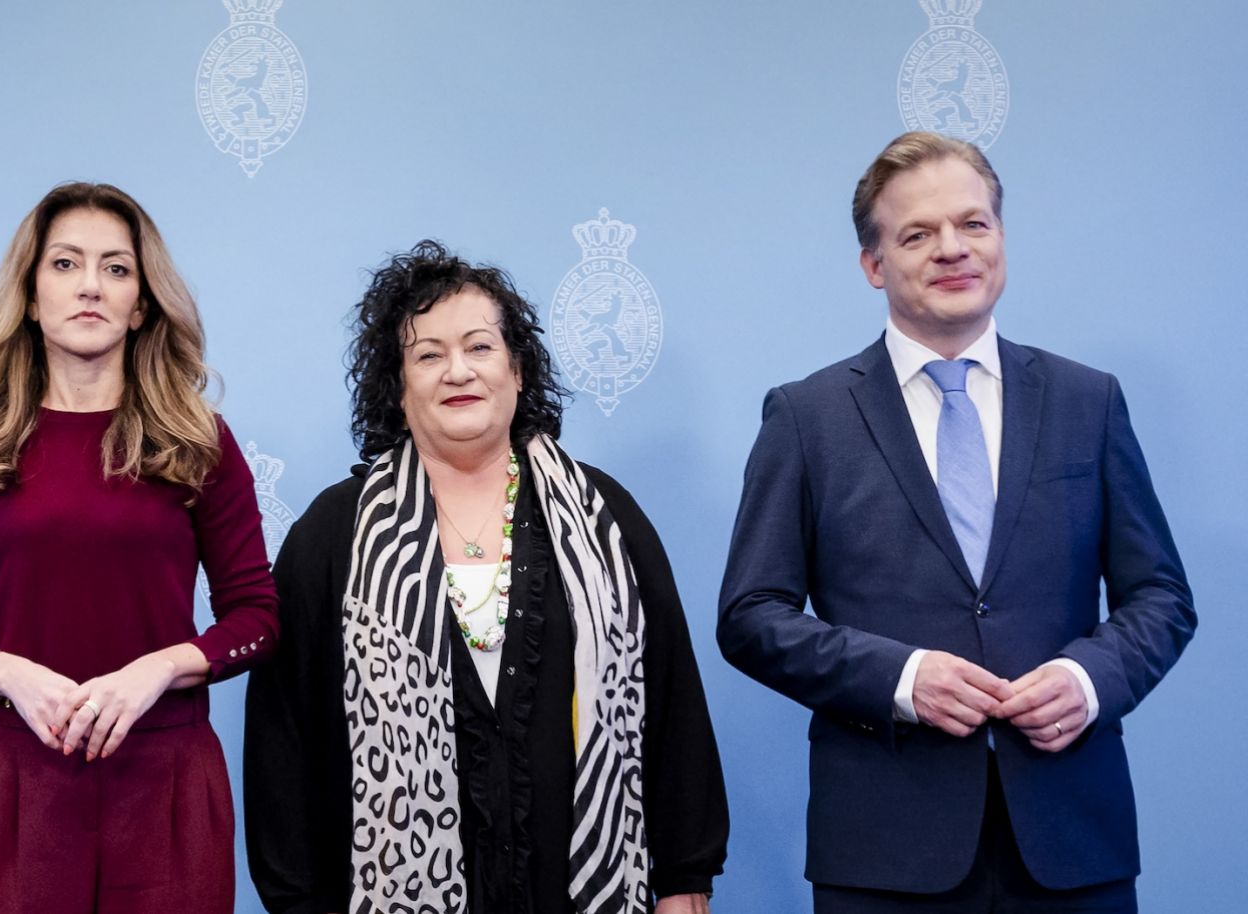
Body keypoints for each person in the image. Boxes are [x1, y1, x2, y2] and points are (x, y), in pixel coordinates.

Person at [716, 131, 1197, 913]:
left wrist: (1087, 680)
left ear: (1001, 239)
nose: (952, 248)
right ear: (874, 265)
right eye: (917, 233)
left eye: (974, 224)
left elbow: (1163, 598)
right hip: (886, 851)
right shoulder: (807, 417)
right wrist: (901, 679)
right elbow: (749, 617)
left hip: (1073, 841)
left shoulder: (1089, 401)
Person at [246, 241, 728, 914]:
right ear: (398, 384)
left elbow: (672, 702)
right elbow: (282, 742)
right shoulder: (334, 536)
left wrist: (684, 877)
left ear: (518, 370)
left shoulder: (605, 518)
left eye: (479, 347)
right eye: (428, 355)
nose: (457, 371)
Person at [0, 182, 279, 914]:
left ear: (142, 304)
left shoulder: (199, 443)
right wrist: (4, 674)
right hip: (12, 784)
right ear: (31, 297)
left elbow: (257, 616)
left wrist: (158, 671)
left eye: (116, 269)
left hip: (166, 780)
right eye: (65, 264)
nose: (91, 285)